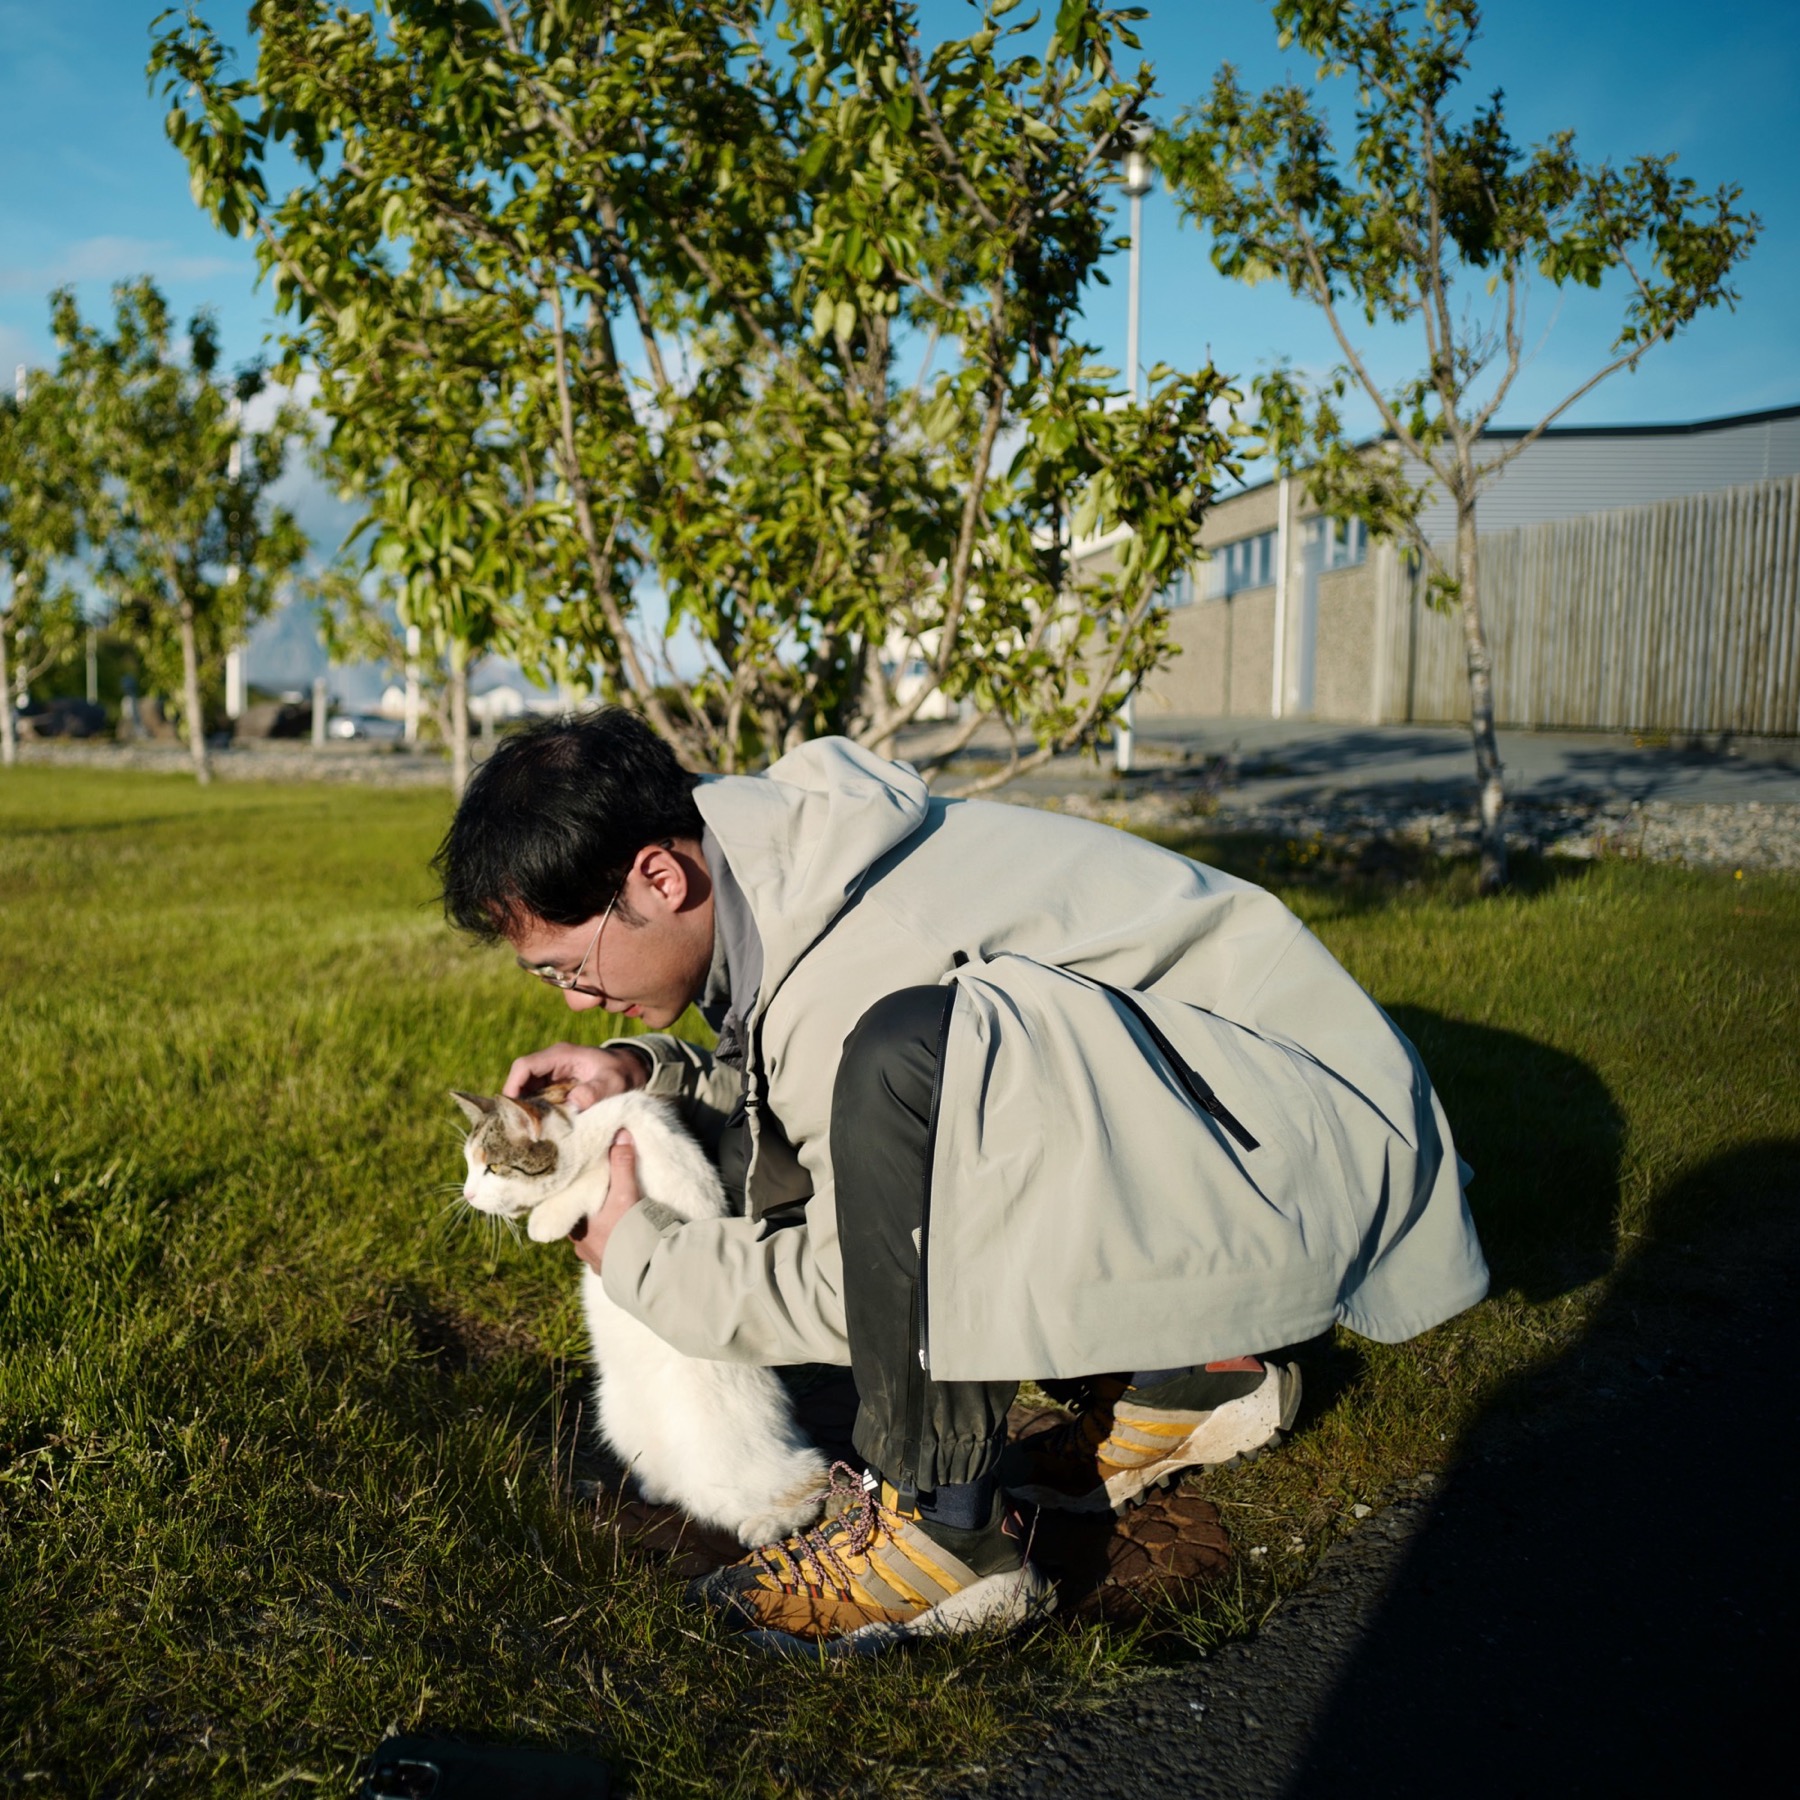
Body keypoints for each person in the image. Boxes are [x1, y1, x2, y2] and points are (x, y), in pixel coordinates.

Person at [434, 710, 1487, 1653]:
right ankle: (1193, 1372)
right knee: (913, 1071)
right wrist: (647, 1073)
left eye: (569, 969)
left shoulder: (858, 965)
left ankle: (944, 1533)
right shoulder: (787, 867)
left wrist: (640, 1257)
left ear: (661, 880)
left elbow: (864, 1281)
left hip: (1313, 1162)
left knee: (910, 1067)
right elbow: (798, 1101)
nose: (575, 1003)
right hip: (1259, 1132)